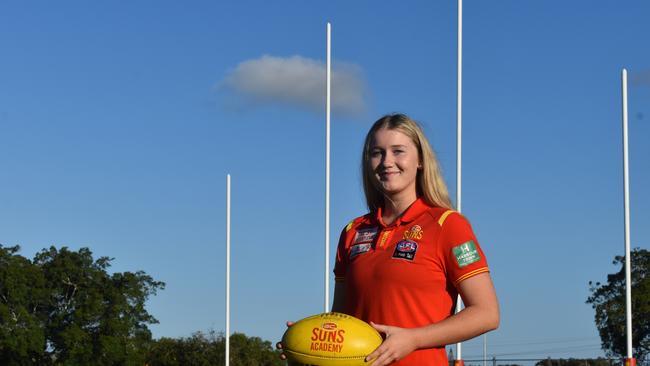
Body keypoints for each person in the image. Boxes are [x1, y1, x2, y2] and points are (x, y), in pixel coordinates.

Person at [280, 113, 499, 366]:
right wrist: (311, 343)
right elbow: (341, 320)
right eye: (377, 153)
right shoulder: (353, 231)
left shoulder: (448, 225)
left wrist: (413, 339)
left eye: (398, 151)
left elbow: (487, 314)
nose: (387, 161)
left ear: (420, 161)